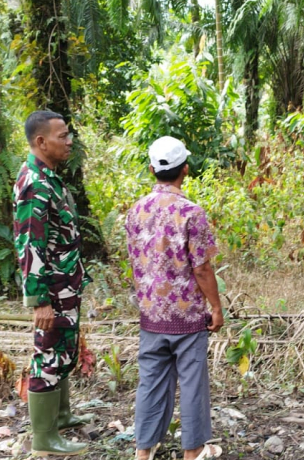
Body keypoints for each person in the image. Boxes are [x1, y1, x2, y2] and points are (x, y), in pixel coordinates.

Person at [126, 136, 224, 460]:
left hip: (151, 316)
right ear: (185, 170)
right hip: (188, 318)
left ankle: (143, 454)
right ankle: (192, 453)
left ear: (152, 169)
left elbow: (137, 262)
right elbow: (202, 268)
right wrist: (216, 306)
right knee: (193, 387)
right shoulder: (191, 213)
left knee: (150, 386)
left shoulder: (135, 211)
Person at [13, 111, 93, 456]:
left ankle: (60, 416)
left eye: (69, 134)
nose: (69, 141)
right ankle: (44, 439)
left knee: (62, 350)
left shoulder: (50, 177)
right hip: (52, 289)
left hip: (64, 284)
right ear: (41, 142)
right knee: (48, 354)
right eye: (62, 136)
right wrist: (39, 300)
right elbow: (30, 245)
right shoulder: (35, 183)